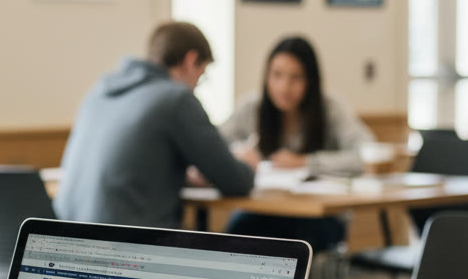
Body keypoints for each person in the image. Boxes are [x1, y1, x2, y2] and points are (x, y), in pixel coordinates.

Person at [54, 21, 256, 228]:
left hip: (67, 234)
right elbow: (235, 182)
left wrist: (182, 177)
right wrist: (249, 164)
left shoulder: (99, 93)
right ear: (191, 59)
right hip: (127, 244)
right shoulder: (176, 99)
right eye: (201, 75)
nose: (197, 85)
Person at [219, 35, 374, 251]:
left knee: (291, 245)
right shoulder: (252, 107)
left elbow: (366, 153)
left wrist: (306, 162)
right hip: (263, 209)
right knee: (236, 235)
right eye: (277, 75)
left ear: (311, 80)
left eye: (296, 78)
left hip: (318, 214)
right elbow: (214, 145)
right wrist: (237, 153)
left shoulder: (330, 108)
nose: (284, 87)